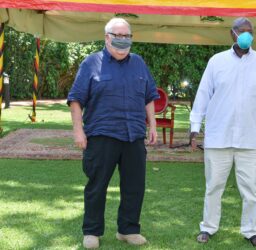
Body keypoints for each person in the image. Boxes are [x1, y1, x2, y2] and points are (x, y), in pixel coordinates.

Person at [190, 17, 256, 248]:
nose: (247, 35)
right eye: (242, 31)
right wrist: (194, 127)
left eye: (250, 31)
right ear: (232, 34)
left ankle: (251, 230)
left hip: (252, 139)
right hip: (218, 137)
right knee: (213, 187)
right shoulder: (216, 62)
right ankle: (208, 227)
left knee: (252, 189)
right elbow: (202, 96)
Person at [67, 18, 159, 249]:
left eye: (127, 35)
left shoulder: (138, 63)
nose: (123, 40)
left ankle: (128, 230)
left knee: (134, 186)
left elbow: (149, 96)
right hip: (101, 135)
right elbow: (76, 99)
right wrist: (78, 131)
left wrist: (153, 125)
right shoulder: (91, 63)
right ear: (107, 37)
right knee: (97, 186)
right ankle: (92, 232)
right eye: (118, 35)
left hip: (134, 135)